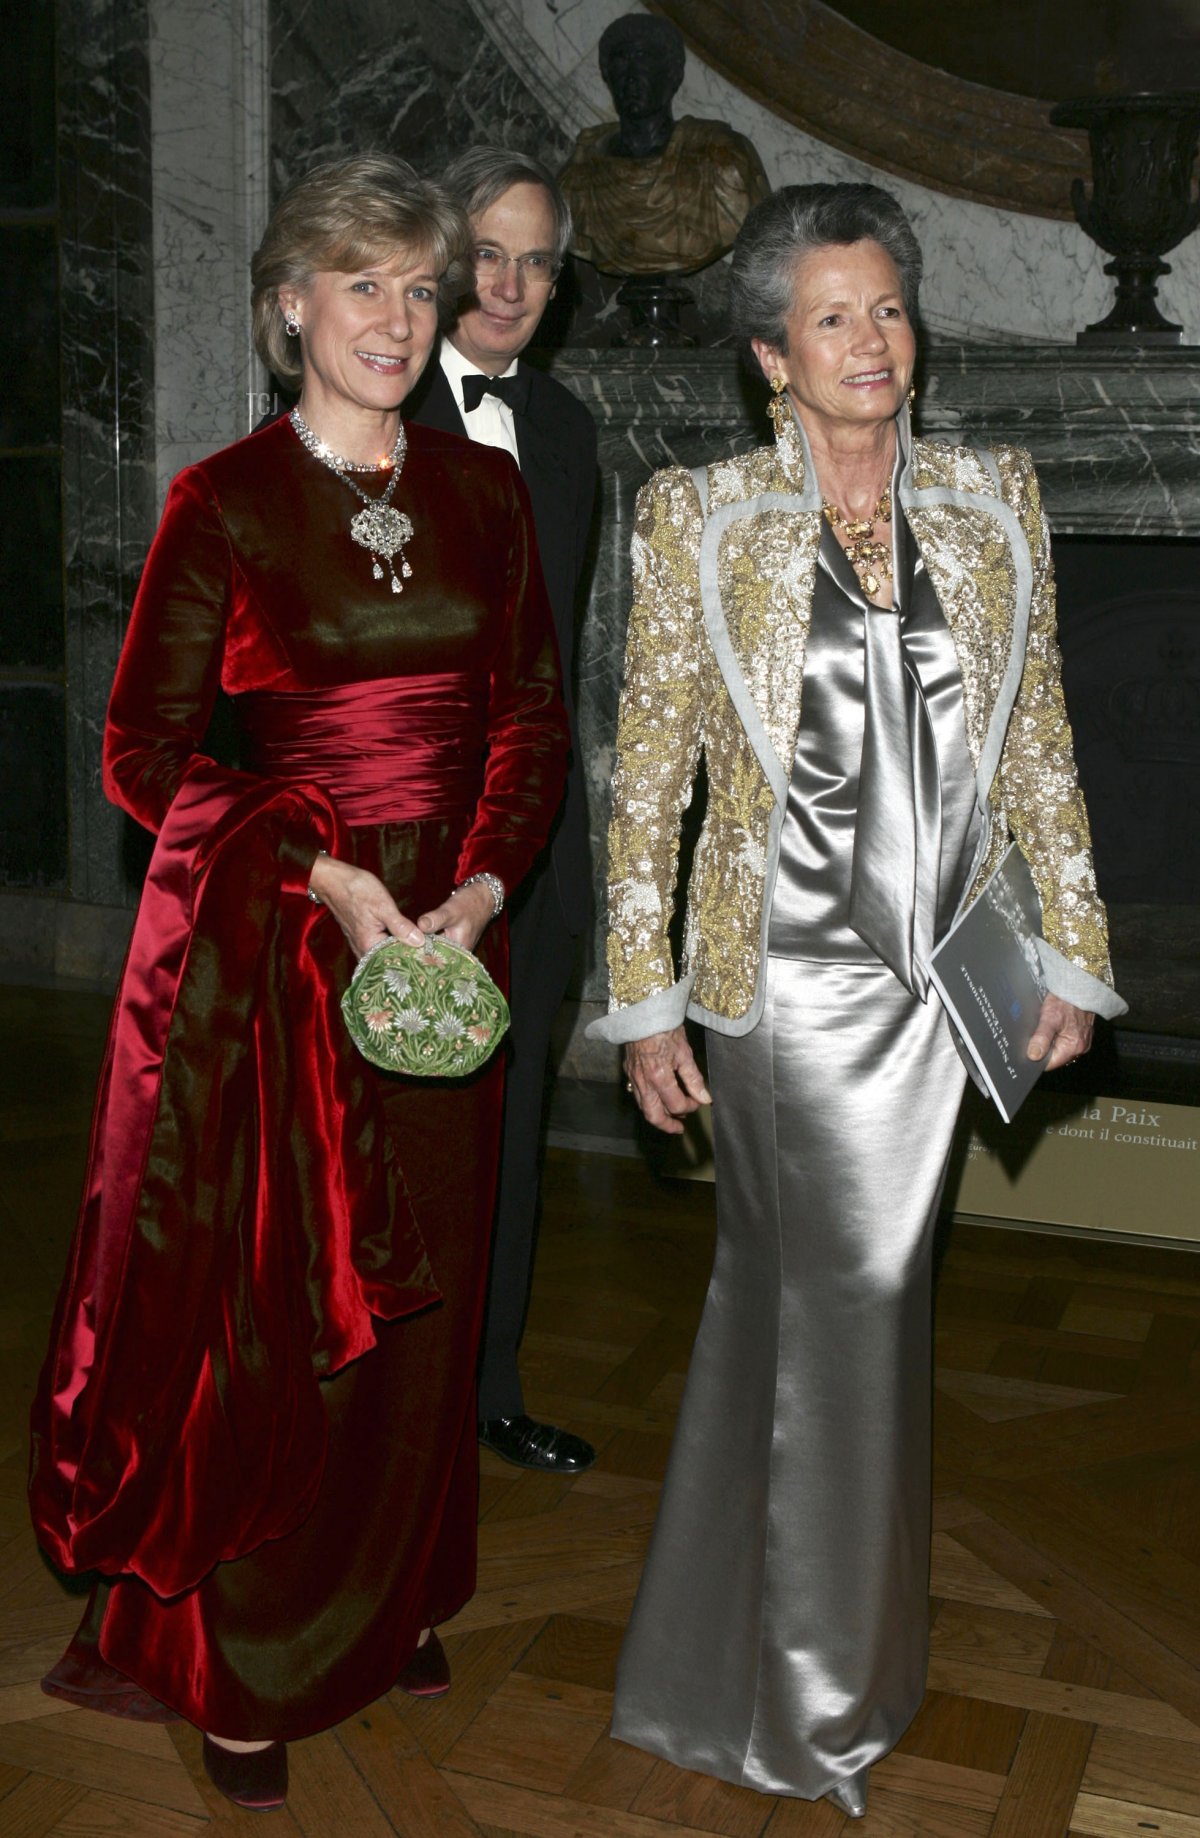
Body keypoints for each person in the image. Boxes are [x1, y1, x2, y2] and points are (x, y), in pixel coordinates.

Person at [28, 153, 568, 1812]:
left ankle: (392, 1591)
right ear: (290, 305)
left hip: (452, 949)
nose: (396, 317)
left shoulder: (485, 493)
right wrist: (323, 873)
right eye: (362, 283)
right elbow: (139, 752)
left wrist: (482, 888)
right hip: (288, 947)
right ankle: (246, 1653)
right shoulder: (225, 501)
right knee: (293, 1302)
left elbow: (531, 716)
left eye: (418, 286)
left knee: (432, 1292)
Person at [590, 182, 1126, 1818]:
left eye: (888, 307)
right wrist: (645, 998)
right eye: (833, 316)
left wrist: (1074, 950)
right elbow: (651, 774)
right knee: (852, 1301)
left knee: (807, 1315)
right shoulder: (702, 515)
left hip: (948, 978)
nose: (872, 340)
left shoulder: (992, 496)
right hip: (787, 989)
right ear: (772, 353)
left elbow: (1039, 735)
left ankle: (748, 1664)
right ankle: (815, 1704)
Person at [405, 147, 599, 1474]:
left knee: (512, 1127)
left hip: (541, 848)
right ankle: (380, 1406)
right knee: (395, 1136)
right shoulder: (372, 394)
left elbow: (560, 656)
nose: (511, 285)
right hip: (407, 836)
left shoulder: (571, 431)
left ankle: (490, 1387)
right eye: (487, 253)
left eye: (537, 261)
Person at [559, 13, 768, 275]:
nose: (631, 76)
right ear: (606, 74)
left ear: (673, 73)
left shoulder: (721, 158)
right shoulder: (580, 173)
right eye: (621, 61)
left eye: (643, 59)